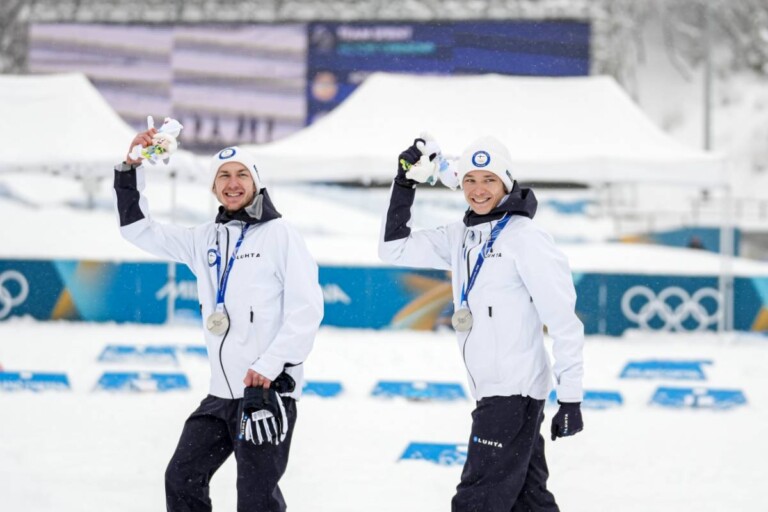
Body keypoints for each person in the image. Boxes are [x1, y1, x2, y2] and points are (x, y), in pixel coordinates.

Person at [114, 128, 324, 512]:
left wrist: (268, 366)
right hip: (221, 395)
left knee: (256, 501)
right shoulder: (204, 239)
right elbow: (137, 230)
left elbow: (307, 309)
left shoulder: (281, 235)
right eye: (223, 176)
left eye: (241, 174)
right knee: (181, 478)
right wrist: (130, 168)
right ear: (213, 188)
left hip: (266, 392)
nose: (232, 183)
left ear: (256, 181)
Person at [379, 136, 585, 511]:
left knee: (477, 499)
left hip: (514, 392)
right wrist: (404, 185)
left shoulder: (527, 239)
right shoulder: (461, 236)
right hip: (493, 391)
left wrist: (570, 397)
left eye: (488, 180)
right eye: (470, 180)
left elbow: (564, 322)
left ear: (506, 183)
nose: (478, 190)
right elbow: (393, 248)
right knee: (529, 498)